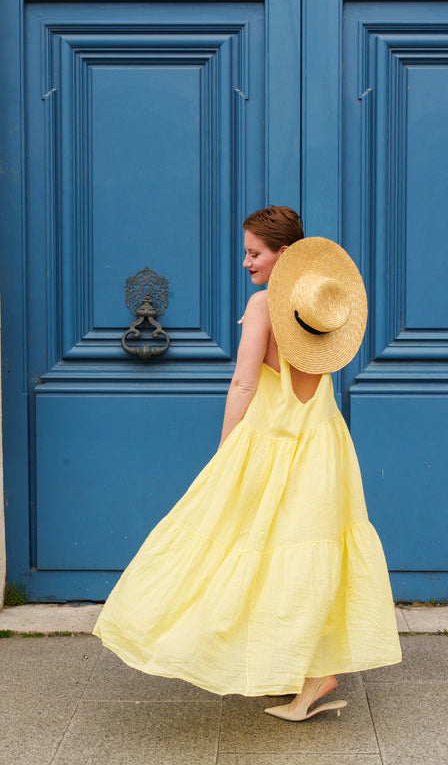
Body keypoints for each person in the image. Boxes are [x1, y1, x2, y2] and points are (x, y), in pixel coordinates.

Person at [93, 205, 401, 722]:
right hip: (323, 445)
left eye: (255, 253)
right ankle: (310, 675)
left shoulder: (265, 306)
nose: (245, 263)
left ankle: (295, 671)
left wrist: (225, 451)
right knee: (304, 553)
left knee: (247, 546)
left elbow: (244, 383)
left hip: (270, 446)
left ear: (284, 254)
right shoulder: (319, 304)